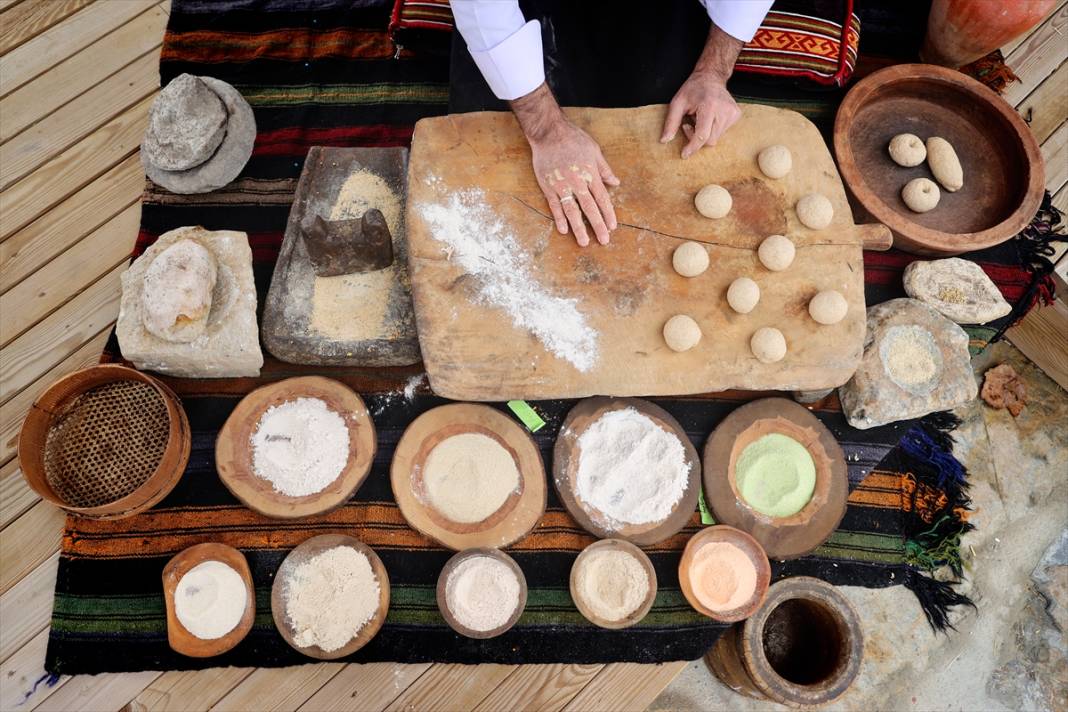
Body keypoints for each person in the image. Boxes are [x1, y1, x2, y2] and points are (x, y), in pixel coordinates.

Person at [451, 0, 774, 247]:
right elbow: (484, 9)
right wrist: (544, 129)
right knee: (491, 175)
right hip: (532, 11)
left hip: (657, 13)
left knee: (664, 148)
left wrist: (713, 71)